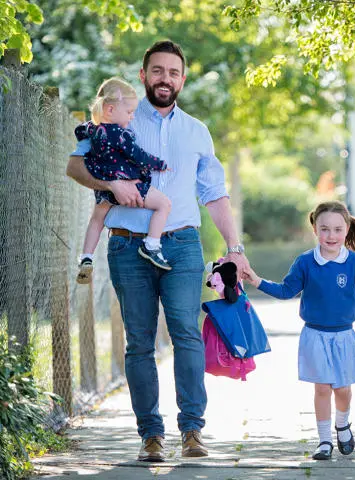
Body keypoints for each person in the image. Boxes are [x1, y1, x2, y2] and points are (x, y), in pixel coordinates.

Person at [66, 40, 250, 463]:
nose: (165, 78)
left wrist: (235, 248)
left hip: (183, 243)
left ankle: (192, 431)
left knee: (186, 332)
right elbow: (75, 166)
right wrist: (111, 185)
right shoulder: (119, 118)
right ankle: (150, 435)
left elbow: (215, 194)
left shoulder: (197, 131)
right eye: (158, 71)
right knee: (139, 343)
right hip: (128, 246)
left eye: (173, 72)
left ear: (182, 79)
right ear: (144, 75)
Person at [244, 201, 355, 460]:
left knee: (342, 390)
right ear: (315, 230)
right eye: (325, 229)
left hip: (344, 336)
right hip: (314, 335)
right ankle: (324, 440)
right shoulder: (306, 262)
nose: (331, 235)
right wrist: (256, 280)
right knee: (321, 389)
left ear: (347, 229)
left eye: (338, 229)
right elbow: (286, 290)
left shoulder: (354, 262)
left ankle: (342, 425)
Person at [75, 77, 173, 284]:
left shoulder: (90, 130)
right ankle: (152, 245)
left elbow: (80, 135)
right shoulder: (120, 134)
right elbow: (138, 155)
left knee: (96, 220)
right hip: (130, 185)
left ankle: (86, 257)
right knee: (164, 204)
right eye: (129, 112)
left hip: (104, 187)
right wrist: (160, 164)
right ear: (110, 110)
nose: (131, 117)